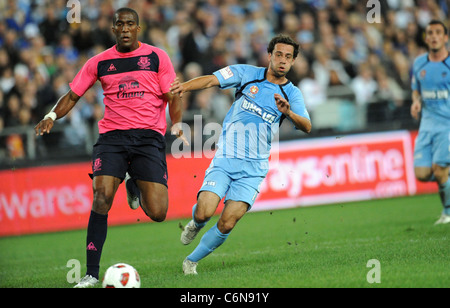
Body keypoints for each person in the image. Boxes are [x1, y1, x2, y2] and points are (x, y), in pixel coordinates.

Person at [34, 8, 188, 287]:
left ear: (138, 29)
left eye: (130, 24)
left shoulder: (156, 57)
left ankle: (133, 185)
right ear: (114, 29)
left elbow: (173, 94)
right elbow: (73, 95)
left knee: (158, 213)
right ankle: (91, 273)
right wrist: (51, 116)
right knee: (102, 197)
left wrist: (176, 123)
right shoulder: (99, 62)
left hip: (148, 138)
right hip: (112, 139)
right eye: (120, 24)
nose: (125, 28)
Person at [169, 34, 312, 275]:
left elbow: (307, 126)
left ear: (293, 61)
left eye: (288, 57)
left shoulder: (292, 94)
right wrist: (184, 86)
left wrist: (288, 113)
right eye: (278, 54)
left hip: (254, 169)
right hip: (227, 157)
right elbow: (211, 80)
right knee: (205, 210)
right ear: (269, 55)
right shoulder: (246, 74)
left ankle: (191, 262)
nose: (282, 60)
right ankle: (196, 222)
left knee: (227, 222)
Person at [410, 20, 450, 225]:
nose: (433, 36)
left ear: (445, 38)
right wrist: (416, 102)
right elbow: (416, 89)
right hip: (427, 125)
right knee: (423, 174)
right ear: (426, 38)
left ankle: (448, 213)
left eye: (438, 33)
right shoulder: (419, 63)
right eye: (430, 33)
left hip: (447, 126)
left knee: (440, 169)